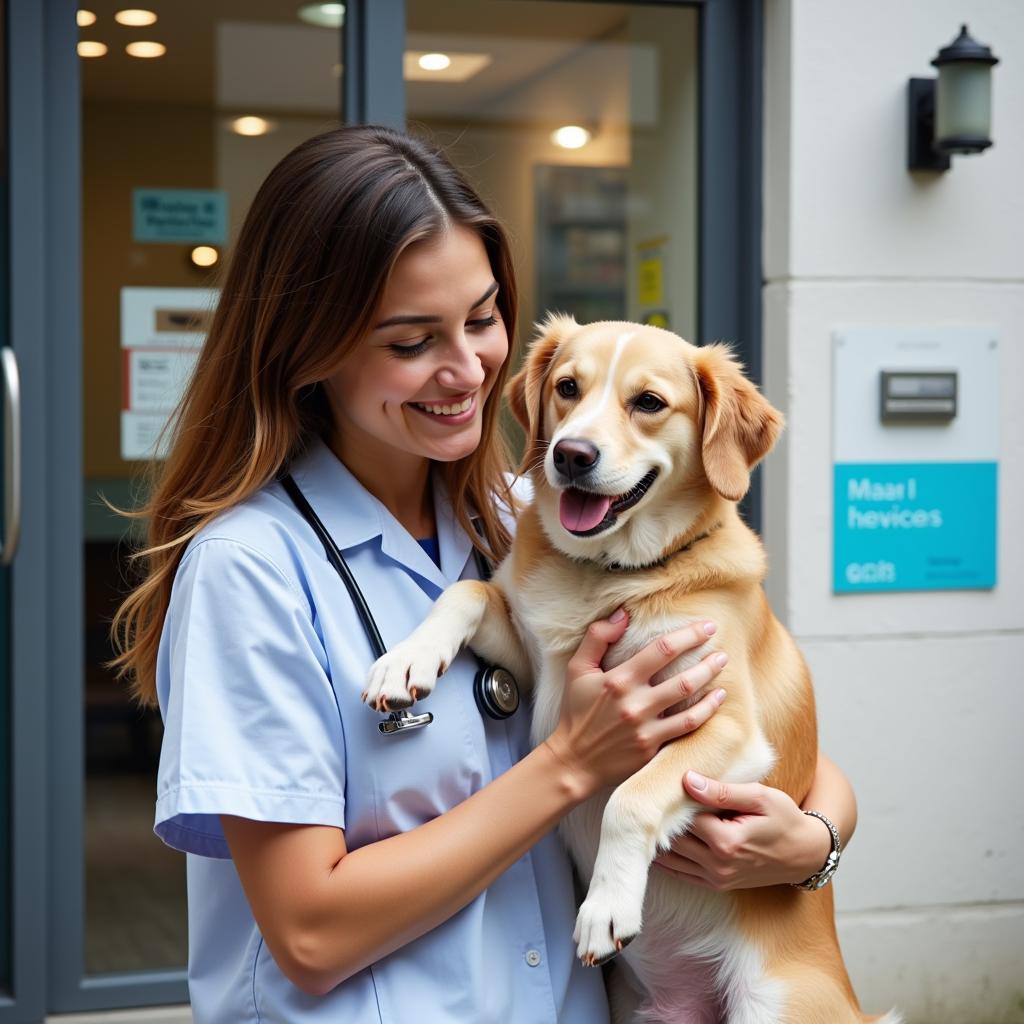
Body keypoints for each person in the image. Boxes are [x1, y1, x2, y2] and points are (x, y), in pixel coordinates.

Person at [113, 125, 857, 1023]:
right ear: (309, 350)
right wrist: (573, 762)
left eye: (481, 319)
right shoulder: (252, 569)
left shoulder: (540, 521)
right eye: (409, 341)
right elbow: (308, 936)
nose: (465, 369)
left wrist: (810, 844)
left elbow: (784, 746)